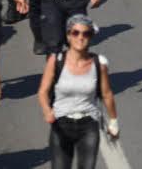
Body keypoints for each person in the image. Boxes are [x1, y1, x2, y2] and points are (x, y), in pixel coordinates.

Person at [35, 15, 119, 169]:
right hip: (61, 124)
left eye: (86, 34)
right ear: (68, 36)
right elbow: (43, 91)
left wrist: (113, 122)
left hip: (88, 125)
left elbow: (107, 94)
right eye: (75, 33)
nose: (80, 37)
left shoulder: (98, 64)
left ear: (91, 37)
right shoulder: (56, 61)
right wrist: (47, 110)